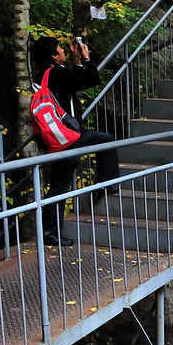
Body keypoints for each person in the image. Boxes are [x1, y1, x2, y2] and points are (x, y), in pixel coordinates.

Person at [34, 36, 119, 246]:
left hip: (61, 137)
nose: (63, 50)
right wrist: (86, 58)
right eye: (60, 48)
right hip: (69, 138)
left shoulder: (48, 74)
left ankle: (51, 232)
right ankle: (106, 183)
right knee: (105, 142)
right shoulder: (57, 72)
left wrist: (76, 59)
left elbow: (73, 83)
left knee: (59, 185)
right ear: (54, 56)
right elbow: (90, 80)